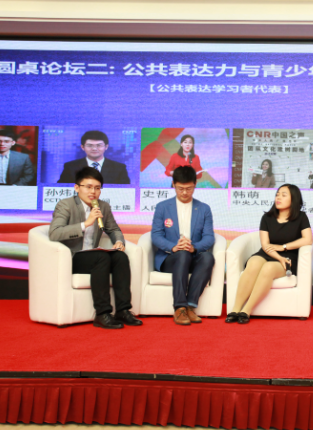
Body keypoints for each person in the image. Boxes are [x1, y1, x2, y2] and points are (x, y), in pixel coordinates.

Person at [48, 167, 142, 329]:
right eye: (88, 187)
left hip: (93, 255)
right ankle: (102, 313)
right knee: (101, 257)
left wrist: (119, 242)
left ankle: (123, 310)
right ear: (77, 187)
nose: (93, 192)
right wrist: (86, 223)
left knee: (120, 257)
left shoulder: (103, 206)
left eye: (97, 188)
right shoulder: (66, 205)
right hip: (72, 257)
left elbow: (113, 229)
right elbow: (54, 233)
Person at [226, 184, 312, 324]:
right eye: (277, 194)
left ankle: (246, 310)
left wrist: (283, 248)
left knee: (269, 268)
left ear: (294, 199)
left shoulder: (301, 217)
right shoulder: (267, 217)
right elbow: (265, 245)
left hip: (289, 257)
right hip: (268, 253)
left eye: (283, 195)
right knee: (253, 263)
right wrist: (279, 257)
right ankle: (235, 309)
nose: (278, 197)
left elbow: (308, 239)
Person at [151, 166, 215, 325]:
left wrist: (194, 247)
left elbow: (209, 237)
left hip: (192, 256)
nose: (185, 193)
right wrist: (173, 247)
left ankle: (190, 306)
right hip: (170, 258)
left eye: (189, 188)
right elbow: (156, 236)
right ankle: (179, 307)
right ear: (173, 184)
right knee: (182, 254)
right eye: (180, 188)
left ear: (195, 185)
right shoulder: (162, 207)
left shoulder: (204, 209)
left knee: (208, 257)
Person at [57, 130, 131, 184]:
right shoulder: (70, 167)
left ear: (106, 147)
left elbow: (126, 191)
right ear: (82, 147)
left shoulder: (119, 168)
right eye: (90, 145)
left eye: (99, 145)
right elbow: (61, 188)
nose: (94, 149)